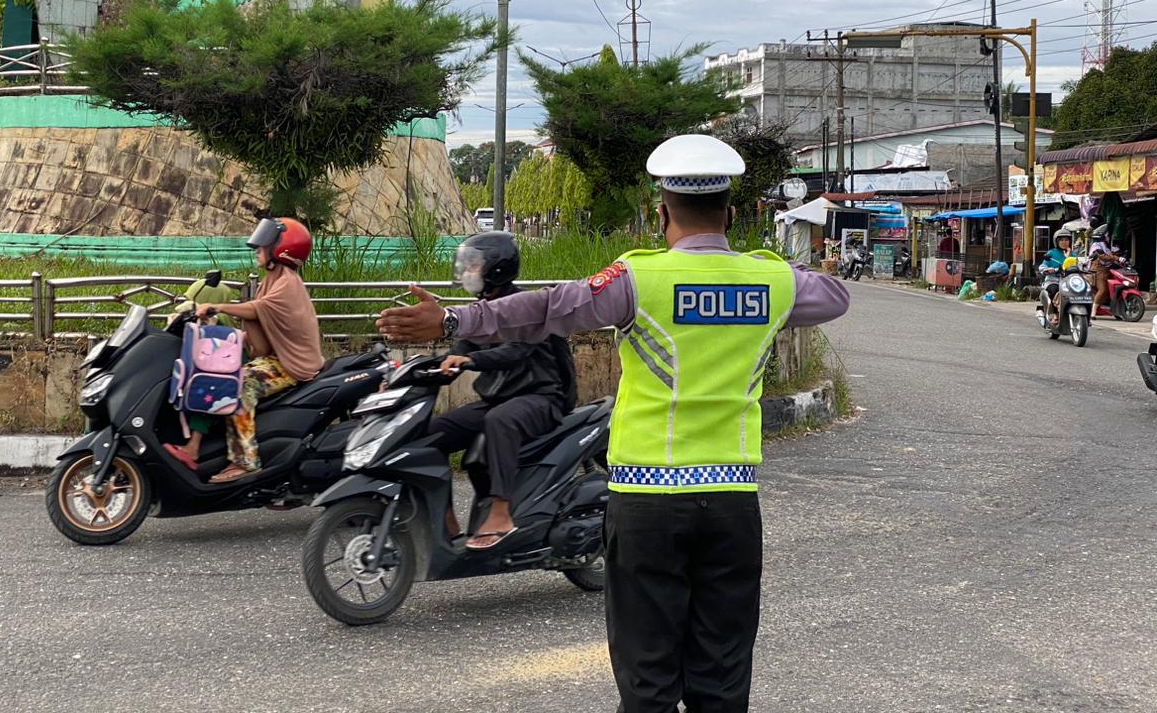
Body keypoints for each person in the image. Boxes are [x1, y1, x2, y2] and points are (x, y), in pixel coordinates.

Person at [376, 134, 849, 713]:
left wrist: (454, 317)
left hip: (648, 499)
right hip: (731, 502)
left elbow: (548, 308)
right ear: (730, 212)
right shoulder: (772, 282)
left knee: (647, 679)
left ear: (660, 212)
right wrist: (760, 262)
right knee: (722, 678)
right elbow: (833, 296)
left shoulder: (637, 281)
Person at [432, 231, 577, 550]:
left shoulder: (526, 307)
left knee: (500, 421)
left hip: (541, 398)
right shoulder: (480, 311)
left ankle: (501, 512)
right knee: (434, 431)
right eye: (467, 265)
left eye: (474, 265)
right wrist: (411, 374)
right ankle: (444, 517)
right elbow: (454, 355)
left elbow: (514, 351)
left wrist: (470, 359)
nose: (468, 272)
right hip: (499, 399)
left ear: (497, 268)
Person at [163, 217, 323, 482]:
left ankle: (246, 462)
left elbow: (256, 309)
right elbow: (260, 322)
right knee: (216, 379)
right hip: (275, 358)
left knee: (239, 387)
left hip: (292, 365)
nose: (258, 250)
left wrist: (219, 308)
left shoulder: (287, 284)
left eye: (264, 245)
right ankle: (193, 448)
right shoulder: (271, 280)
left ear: (281, 250)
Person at [1087, 222, 1121, 313]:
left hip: (1105, 271)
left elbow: (1110, 255)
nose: (1108, 238)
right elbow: (1104, 257)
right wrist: (1116, 258)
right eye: (1107, 236)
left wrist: (1119, 255)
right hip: (1098, 272)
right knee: (1103, 289)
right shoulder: (1097, 246)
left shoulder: (1105, 246)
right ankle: (1093, 311)